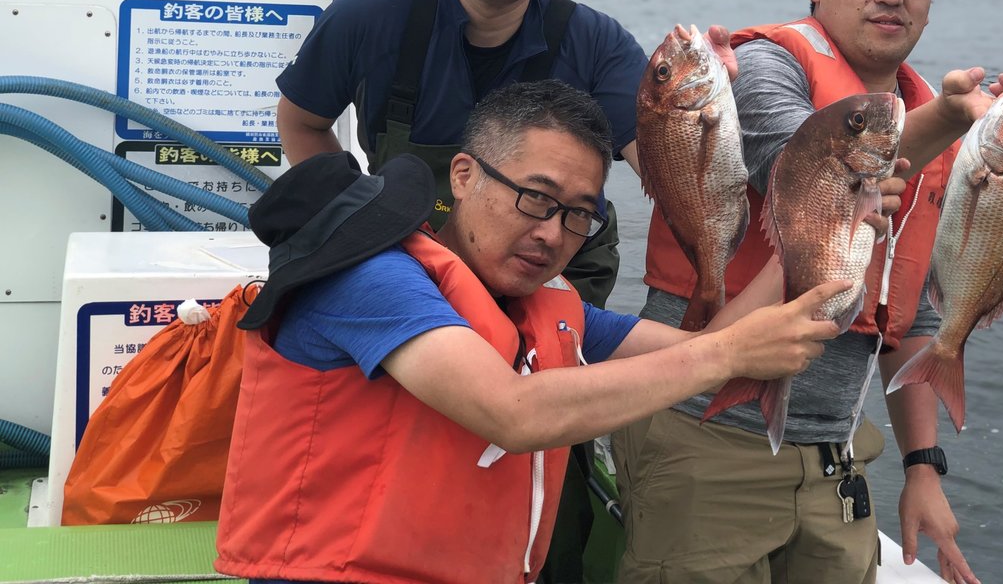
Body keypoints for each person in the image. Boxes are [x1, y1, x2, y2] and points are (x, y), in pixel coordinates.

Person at [214, 80, 850, 584]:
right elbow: (511, 412)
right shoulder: (372, 279)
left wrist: (815, 223)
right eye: (535, 198)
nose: (552, 233)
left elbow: (705, 352)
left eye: (580, 216)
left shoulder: (549, 305)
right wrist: (728, 351)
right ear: (463, 175)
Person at [616, 0, 1003, 584]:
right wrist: (950, 122)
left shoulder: (934, 119)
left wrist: (923, 468)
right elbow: (810, 175)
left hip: (834, 459)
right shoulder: (765, 69)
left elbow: (908, 314)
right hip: (702, 434)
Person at [274, 0, 647, 309]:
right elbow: (301, 121)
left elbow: (663, 169)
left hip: (555, 282)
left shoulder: (598, 42)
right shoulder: (366, 19)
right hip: (414, 272)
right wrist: (354, 221)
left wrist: (704, 114)